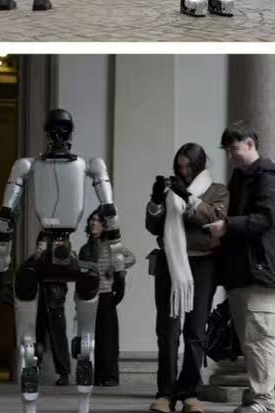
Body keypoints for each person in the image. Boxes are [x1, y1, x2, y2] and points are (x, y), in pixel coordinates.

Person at [209, 122, 275, 413]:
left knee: (261, 337)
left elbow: (265, 219)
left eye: (234, 149)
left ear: (251, 144)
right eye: (227, 151)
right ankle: (258, 393)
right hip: (242, 271)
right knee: (249, 339)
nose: (230, 156)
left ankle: (264, 399)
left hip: (261, 271)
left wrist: (227, 224)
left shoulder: (271, 179)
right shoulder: (241, 179)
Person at [144, 142, 228, 413]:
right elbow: (153, 226)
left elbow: (215, 218)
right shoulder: (170, 192)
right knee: (167, 331)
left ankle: (190, 392)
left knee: (195, 331)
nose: (184, 172)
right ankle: (165, 393)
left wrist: (189, 199)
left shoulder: (218, 190)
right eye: (180, 167)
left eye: (189, 166)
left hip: (203, 265)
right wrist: (156, 202)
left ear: (200, 164)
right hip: (170, 264)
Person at [81, 208, 137, 387]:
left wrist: (115, 267)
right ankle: (96, 376)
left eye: (96, 221)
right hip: (89, 298)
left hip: (107, 296)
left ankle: (111, 377)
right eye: (91, 220)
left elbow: (131, 258)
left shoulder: (112, 246)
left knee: (109, 339)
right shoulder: (84, 249)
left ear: (104, 226)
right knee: (91, 339)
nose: (92, 223)